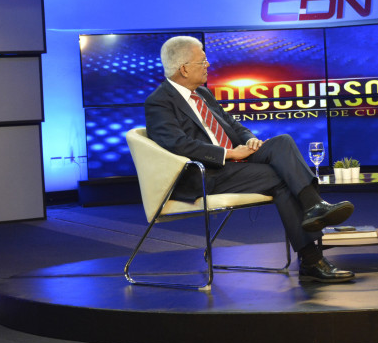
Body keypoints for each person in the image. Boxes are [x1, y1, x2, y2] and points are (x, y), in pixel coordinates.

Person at [145, 35, 355, 283]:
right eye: (202, 61)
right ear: (184, 68)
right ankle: (311, 259)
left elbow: (232, 125)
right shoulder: (159, 102)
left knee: (283, 141)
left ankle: (314, 207)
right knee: (280, 179)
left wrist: (250, 140)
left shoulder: (202, 93)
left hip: (235, 161)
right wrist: (229, 153)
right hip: (206, 173)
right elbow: (177, 144)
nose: (208, 65)